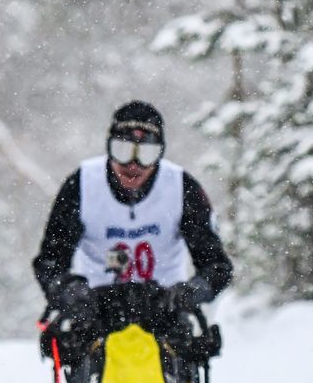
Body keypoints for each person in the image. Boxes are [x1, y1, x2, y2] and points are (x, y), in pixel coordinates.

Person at [31, 100, 233, 338]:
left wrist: (191, 292)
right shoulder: (81, 185)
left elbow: (217, 265)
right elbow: (50, 262)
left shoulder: (182, 188)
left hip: (165, 313)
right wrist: (69, 290)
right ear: (108, 147)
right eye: (122, 151)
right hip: (96, 313)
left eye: (146, 154)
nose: (133, 166)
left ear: (160, 153)